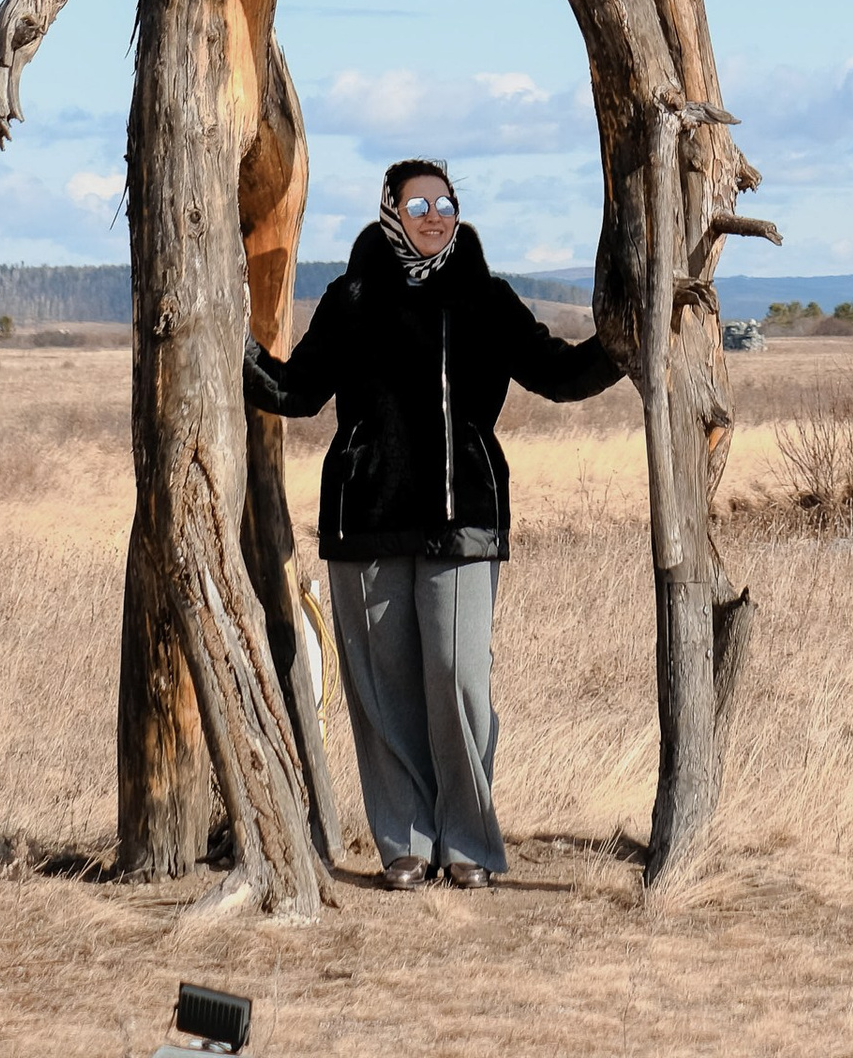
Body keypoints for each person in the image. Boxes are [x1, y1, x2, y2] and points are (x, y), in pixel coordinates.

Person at [245, 158, 623, 889]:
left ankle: (470, 844)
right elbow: (296, 391)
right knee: (384, 694)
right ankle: (407, 846)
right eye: (418, 203)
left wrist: (623, 347)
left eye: (444, 202)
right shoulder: (352, 298)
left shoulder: (485, 297)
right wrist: (232, 348)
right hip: (366, 519)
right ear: (389, 209)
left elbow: (558, 373)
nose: (433, 214)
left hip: (463, 519)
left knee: (457, 681)